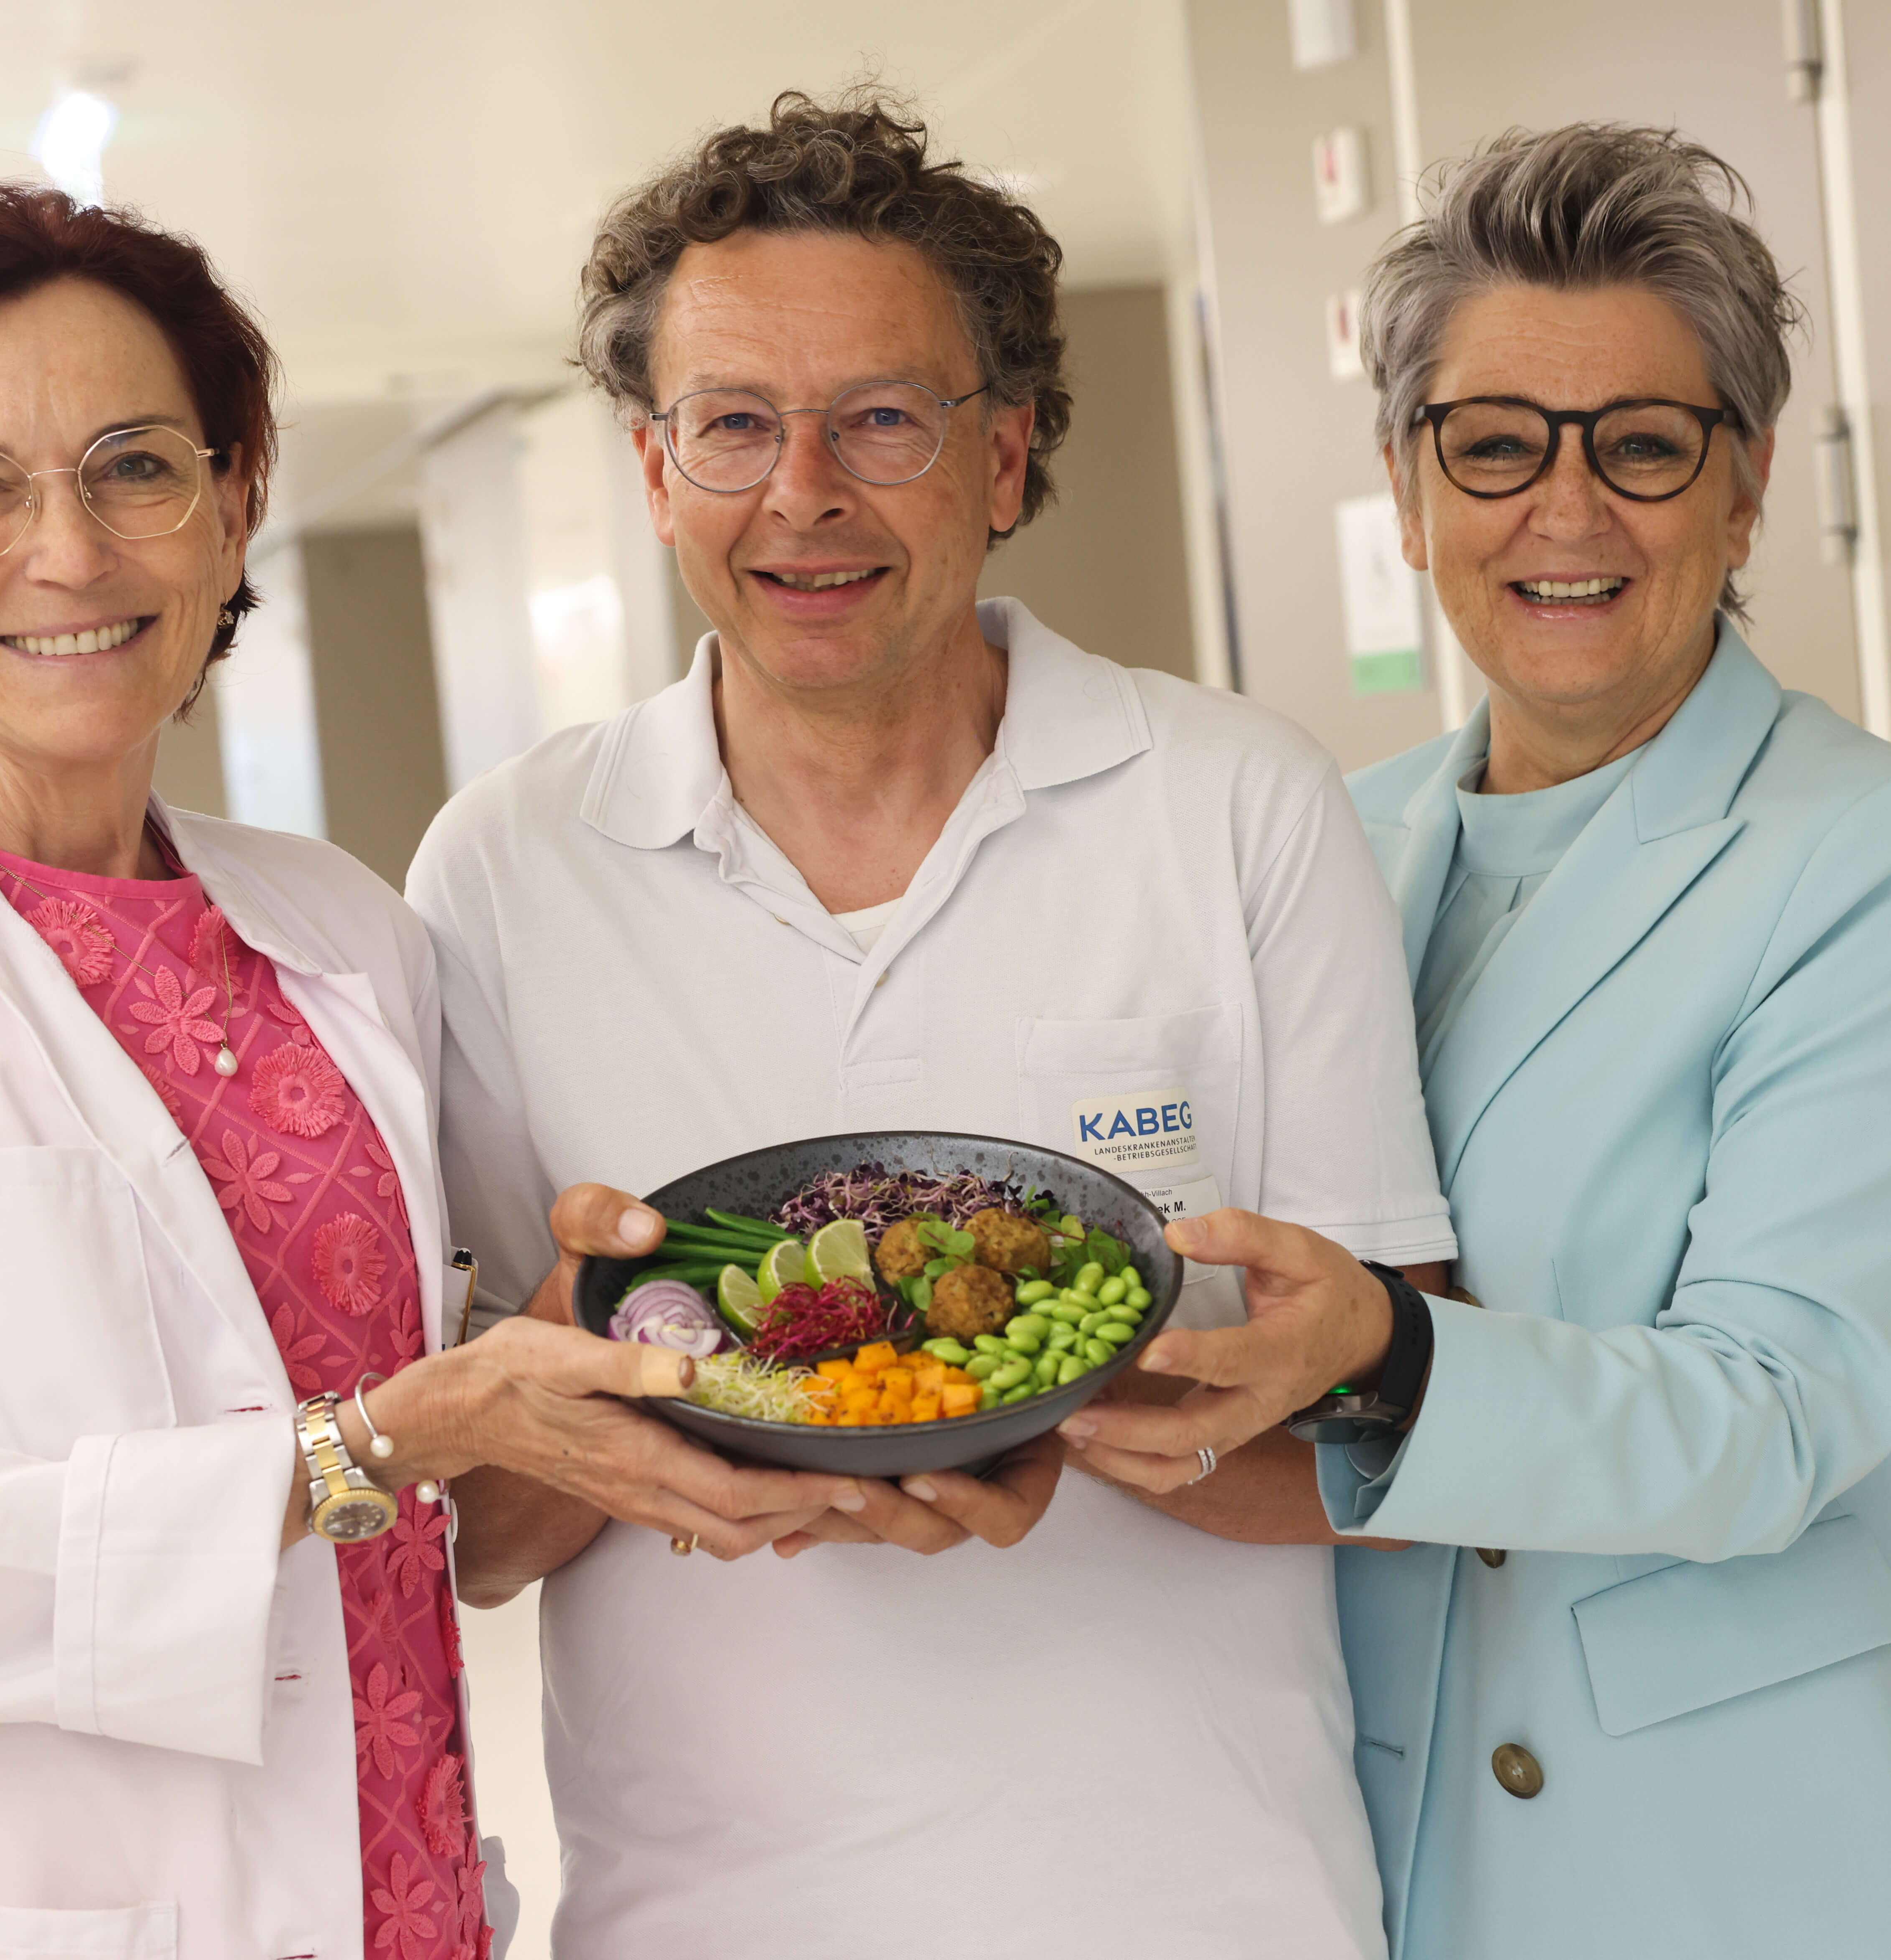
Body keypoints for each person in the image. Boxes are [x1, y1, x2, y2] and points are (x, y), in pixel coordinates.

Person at [0, 184, 852, 1960]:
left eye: (135, 467)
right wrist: (374, 1443)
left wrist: (599, 1320)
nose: (70, 550)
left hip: (396, 1876)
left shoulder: (346, 927)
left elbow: (461, 1453)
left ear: (234, 504)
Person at [408, 92, 1456, 1960]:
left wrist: (1095, 1409)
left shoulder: (1237, 802)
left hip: (1206, 1912)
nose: (803, 491)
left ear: (1006, 451)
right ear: (655, 470)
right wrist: (598, 1343)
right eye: (734, 423)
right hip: (705, 1924)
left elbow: (1410, 1441)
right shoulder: (506, 865)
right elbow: (476, 1538)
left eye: (883, 417)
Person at [1065, 126, 1891, 1960]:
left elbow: (1777, 1408)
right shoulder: (1327, 840)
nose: (1565, 513)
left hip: (1803, 1851)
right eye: (1494, 444)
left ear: (1747, 485)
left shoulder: (1888, 857)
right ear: (1409, 492)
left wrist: (1387, 1347)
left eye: (1640, 444)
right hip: (1426, 1840)